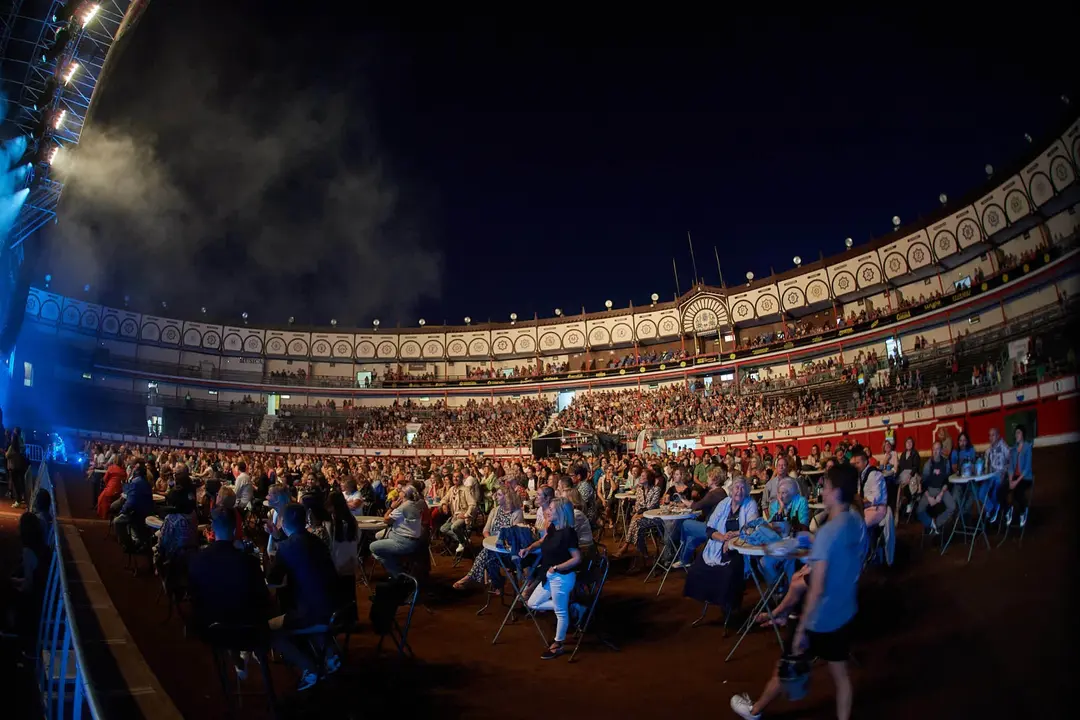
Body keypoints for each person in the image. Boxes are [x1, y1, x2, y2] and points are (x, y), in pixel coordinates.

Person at [730, 463, 867, 720]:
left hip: (820, 618)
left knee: (785, 667)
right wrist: (812, 543)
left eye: (826, 487)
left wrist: (802, 628)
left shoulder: (828, 532)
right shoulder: (855, 521)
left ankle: (754, 710)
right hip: (845, 610)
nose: (822, 492)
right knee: (841, 677)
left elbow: (816, 588)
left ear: (836, 492)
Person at [187, 507, 273, 680]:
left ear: (212, 530)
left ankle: (238, 661)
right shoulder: (249, 562)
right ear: (235, 530)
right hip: (250, 631)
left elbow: (194, 599)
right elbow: (264, 599)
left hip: (212, 630)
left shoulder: (197, 560)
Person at [265, 503, 343, 691]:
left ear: (282, 523)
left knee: (268, 631)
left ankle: (310, 669)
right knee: (308, 603)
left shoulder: (286, 547)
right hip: (337, 608)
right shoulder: (317, 541)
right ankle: (330, 656)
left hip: (312, 614)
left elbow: (273, 579)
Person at [683, 477, 760, 616]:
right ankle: (711, 599)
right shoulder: (724, 503)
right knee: (697, 569)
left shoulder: (750, 504)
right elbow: (710, 528)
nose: (739, 491)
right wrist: (722, 537)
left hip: (740, 547)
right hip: (718, 543)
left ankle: (730, 608)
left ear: (747, 491)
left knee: (729, 572)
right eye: (736, 487)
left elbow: (752, 528)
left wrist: (732, 538)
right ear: (731, 490)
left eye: (743, 488)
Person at [520, 497, 583, 660]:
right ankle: (572, 607)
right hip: (549, 575)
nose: (547, 511)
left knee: (560, 612)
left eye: (551, 509)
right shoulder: (553, 527)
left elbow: (577, 559)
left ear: (561, 512)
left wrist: (557, 568)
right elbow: (542, 541)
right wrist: (529, 548)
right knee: (532, 603)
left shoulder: (568, 533)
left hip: (561, 577)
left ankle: (558, 644)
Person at [454, 485, 524, 591]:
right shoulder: (494, 511)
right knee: (489, 556)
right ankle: (497, 582)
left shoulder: (517, 513)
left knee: (487, 555)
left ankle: (474, 579)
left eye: (499, 495)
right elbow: (485, 530)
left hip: (507, 549)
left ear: (507, 497)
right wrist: (492, 541)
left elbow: (514, 535)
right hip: (493, 545)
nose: (495, 496)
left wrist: (499, 542)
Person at [671, 466, 728, 568]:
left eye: (708, 477)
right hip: (717, 526)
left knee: (685, 523)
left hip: (713, 528)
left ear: (714, 480)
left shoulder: (713, 494)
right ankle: (684, 560)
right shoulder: (721, 491)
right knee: (691, 538)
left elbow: (696, 506)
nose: (706, 479)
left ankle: (681, 542)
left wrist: (683, 500)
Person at [370, 484, 425, 578]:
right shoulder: (419, 503)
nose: (398, 492)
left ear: (404, 494)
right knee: (378, 536)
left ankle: (398, 574)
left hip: (403, 540)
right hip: (414, 538)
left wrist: (392, 507)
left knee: (373, 547)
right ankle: (395, 562)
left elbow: (386, 520)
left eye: (400, 491)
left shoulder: (403, 507)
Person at [998, 425, 1034, 528]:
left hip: (1025, 478)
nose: (1016, 435)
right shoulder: (1013, 449)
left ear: (1023, 434)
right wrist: (1010, 481)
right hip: (1014, 477)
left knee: (1017, 492)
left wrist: (1016, 482)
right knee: (1000, 491)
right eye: (1016, 433)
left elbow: (1027, 468)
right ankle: (1007, 510)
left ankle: (1023, 512)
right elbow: (1011, 468)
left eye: (1018, 432)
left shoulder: (1027, 447)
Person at [915, 441, 955, 534]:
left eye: (938, 449)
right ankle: (930, 523)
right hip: (930, 490)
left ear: (941, 450)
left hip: (942, 490)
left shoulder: (946, 462)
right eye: (934, 449)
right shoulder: (928, 464)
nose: (936, 451)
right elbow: (924, 482)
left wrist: (940, 495)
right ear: (932, 450)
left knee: (952, 507)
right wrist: (929, 497)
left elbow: (947, 480)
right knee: (919, 511)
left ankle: (937, 524)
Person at [982, 426, 1011, 524]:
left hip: (1000, 475)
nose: (991, 438)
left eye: (993, 435)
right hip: (990, 476)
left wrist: (1004, 472)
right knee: (981, 492)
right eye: (989, 435)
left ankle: (994, 512)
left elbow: (1011, 461)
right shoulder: (988, 450)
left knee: (995, 492)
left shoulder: (1004, 447)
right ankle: (992, 509)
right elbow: (986, 466)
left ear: (998, 436)